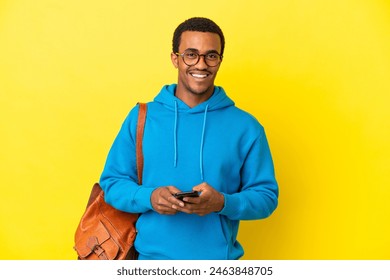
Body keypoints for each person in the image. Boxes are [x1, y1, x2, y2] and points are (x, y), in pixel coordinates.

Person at [99, 17, 279, 260]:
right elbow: (112, 183)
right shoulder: (142, 117)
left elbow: (266, 197)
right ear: (175, 58)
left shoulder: (246, 127)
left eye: (211, 56)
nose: (201, 64)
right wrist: (149, 197)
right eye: (191, 54)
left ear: (220, 61)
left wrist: (222, 203)